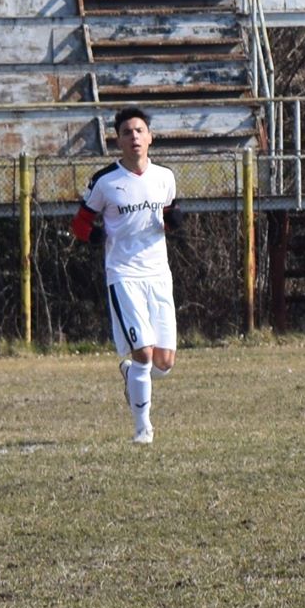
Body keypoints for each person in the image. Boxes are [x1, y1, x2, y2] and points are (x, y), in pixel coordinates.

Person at [71, 108, 182, 445]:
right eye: (126, 132)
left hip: (159, 275)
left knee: (163, 364)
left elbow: (171, 213)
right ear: (117, 140)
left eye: (139, 131)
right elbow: (79, 224)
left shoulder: (165, 177)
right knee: (144, 353)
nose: (134, 137)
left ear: (150, 137)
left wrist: (174, 223)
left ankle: (130, 373)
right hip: (124, 275)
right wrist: (96, 237)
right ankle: (142, 428)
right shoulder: (106, 181)